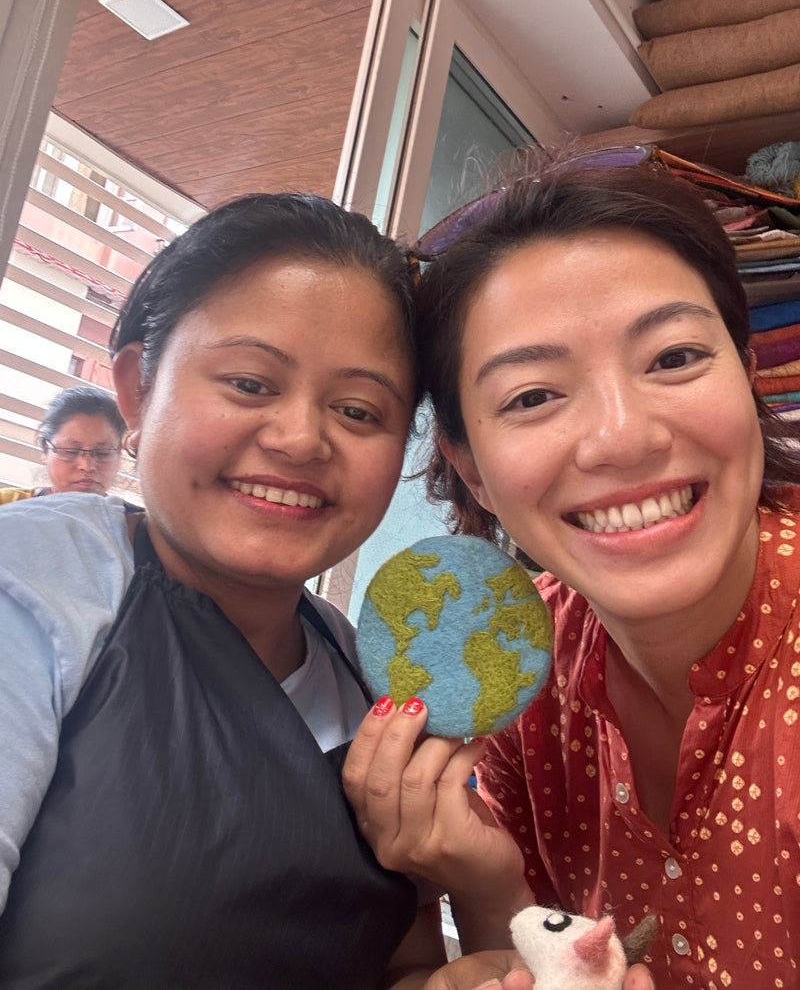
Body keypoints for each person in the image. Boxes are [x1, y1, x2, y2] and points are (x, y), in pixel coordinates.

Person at [0, 191, 542, 990]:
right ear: (136, 386)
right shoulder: (38, 585)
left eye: (358, 409)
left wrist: (470, 918)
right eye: (251, 383)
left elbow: (401, 959)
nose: (298, 438)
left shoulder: (365, 675)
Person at [343, 159, 800, 989]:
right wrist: (489, 884)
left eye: (673, 357)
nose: (621, 439)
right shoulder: (519, 677)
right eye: (532, 396)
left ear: (747, 371)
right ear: (470, 467)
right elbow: (543, 954)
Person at [0, 385, 125, 503]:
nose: (87, 466)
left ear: (119, 452)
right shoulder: (6, 505)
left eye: (103, 453)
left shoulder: (133, 523)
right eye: (71, 451)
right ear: (45, 448)